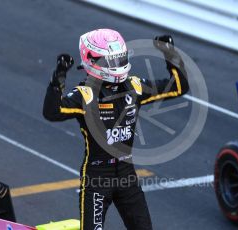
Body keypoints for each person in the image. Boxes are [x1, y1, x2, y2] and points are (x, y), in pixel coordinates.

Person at [43, 28, 189, 230]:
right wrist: (58, 77)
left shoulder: (135, 86)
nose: (118, 65)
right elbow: (52, 112)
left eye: (120, 58)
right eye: (112, 61)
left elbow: (179, 87)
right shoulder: (86, 95)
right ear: (93, 60)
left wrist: (170, 53)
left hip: (126, 174)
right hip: (96, 178)